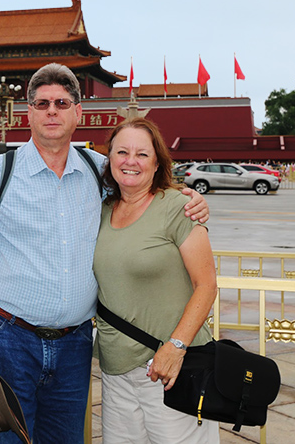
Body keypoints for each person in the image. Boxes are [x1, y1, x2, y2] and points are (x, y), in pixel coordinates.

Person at [0, 63, 209, 443]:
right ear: (29, 113)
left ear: (79, 113)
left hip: (74, 345)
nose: (52, 111)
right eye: (42, 104)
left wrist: (192, 199)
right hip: (8, 340)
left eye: (62, 102)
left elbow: (142, 181)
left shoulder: (98, 172)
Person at [93, 117, 219, 443]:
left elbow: (206, 286)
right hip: (116, 370)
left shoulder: (178, 208)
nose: (130, 161)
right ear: (110, 159)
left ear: (157, 162)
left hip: (170, 369)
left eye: (142, 154)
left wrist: (175, 348)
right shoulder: (102, 210)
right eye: (122, 152)